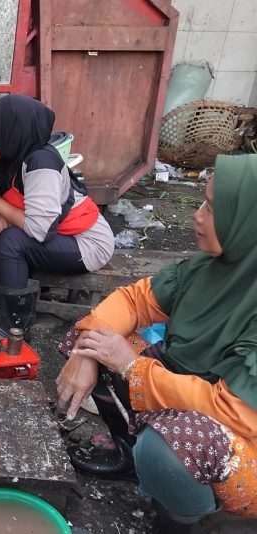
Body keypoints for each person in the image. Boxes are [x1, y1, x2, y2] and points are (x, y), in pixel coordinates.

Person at [56, 155, 257, 531]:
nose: (197, 216)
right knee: (90, 337)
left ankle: (194, 517)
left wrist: (132, 367)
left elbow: (233, 412)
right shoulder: (208, 268)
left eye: (212, 208)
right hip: (188, 389)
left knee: (167, 447)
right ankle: (128, 458)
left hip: (245, 444)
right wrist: (89, 353)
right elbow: (133, 300)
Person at [0, 95, 113, 338]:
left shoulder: (41, 164)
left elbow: (40, 230)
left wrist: (1, 208)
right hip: (55, 233)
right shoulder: (11, 155)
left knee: (11, 240)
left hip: (86, 243)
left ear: (8, 133)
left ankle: (13, 328)